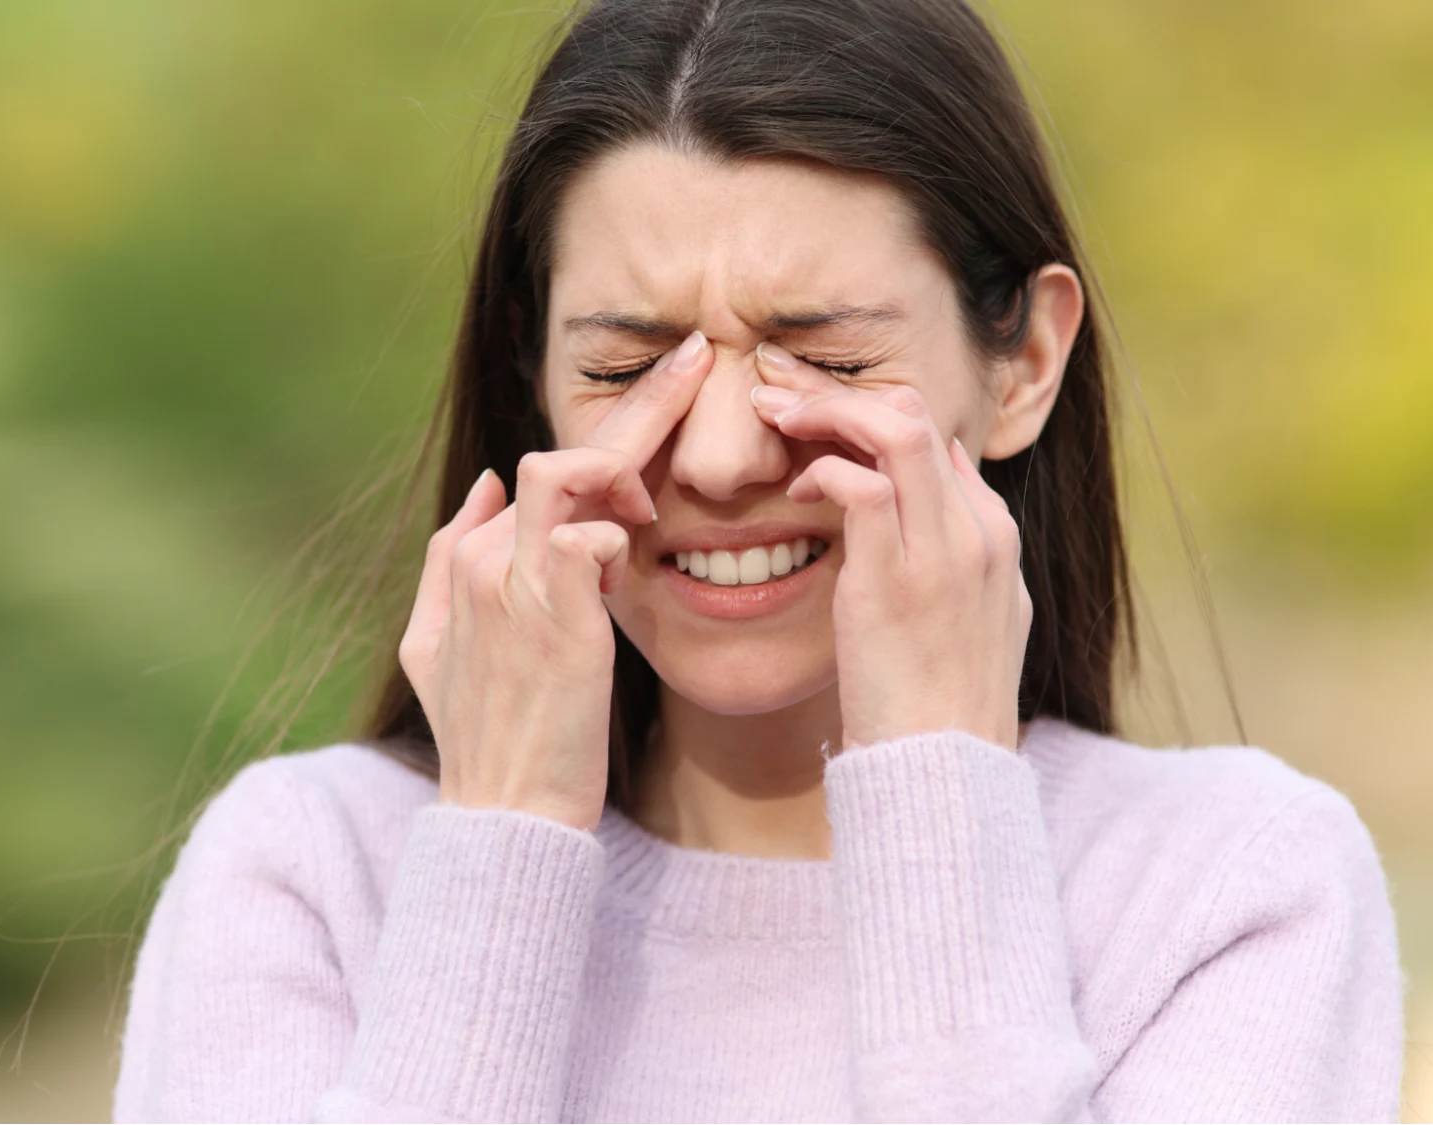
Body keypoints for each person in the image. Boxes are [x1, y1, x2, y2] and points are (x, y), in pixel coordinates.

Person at [109, 0, 1406, 1120]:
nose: (720, 455)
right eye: (622, 369)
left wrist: (935, 793)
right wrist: (497, 849)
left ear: (1021, 362)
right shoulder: (312, 877)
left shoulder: (1230, 893)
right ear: (530, 372)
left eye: (829, 362)